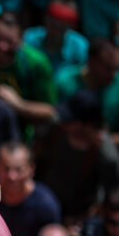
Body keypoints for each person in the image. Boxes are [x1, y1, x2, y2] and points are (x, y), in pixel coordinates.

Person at [38, 89, 119, 223]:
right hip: (45, 204)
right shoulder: (54, 130)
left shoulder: (105, 155)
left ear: (86, 125)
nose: (63, 120)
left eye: (71, 119)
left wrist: (83, 219)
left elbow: (109, 196)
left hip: (78, 217)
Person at [0, 141, 61, 236]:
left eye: (18, 169)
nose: (12, 176)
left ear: (31, 169)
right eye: (6, 168)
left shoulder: (45, 205)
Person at [55, 38, 119, 136]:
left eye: (116, 69)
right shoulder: (65, 82)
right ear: (90, 61)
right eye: (108, 68)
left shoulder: (116, 86)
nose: (113, 75)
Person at [22, 0, 88, 76]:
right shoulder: (29, 38)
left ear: (71, 26)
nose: (56, 28)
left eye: (62, 26)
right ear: (46, 19)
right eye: (53, 24)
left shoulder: (80, 47)